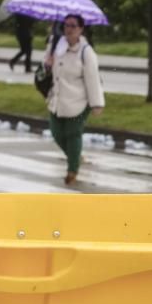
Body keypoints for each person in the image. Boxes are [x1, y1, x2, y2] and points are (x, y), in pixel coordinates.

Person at [43, 13, 104, 185]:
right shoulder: (56, 46)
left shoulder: (86, 52)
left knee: (73, 134)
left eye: (73, 26)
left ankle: (72, 171)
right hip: (58, 100)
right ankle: (75, 156)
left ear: (81, 29)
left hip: (78, 102)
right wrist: (47, 64)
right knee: (56, 133)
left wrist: (96, 104)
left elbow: (93, 79)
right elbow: (47, 69)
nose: (68, 29)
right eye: (66, 25)